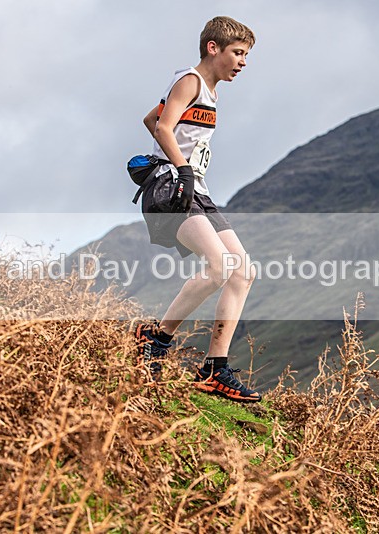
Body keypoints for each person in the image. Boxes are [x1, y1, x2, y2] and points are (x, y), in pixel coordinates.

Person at [133, 16, 260, 403]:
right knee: (220, 265)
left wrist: (187, 170)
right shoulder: (190, 80)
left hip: (196, 190)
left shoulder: (211, 92)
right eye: (237, 53)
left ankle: (214, 369)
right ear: (213, 48)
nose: (242, 62)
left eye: (246, 56)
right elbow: (164, 126)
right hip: (172, 188)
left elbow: (150, 118)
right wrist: (179, 167)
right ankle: (154, 340)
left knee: (243, 271)